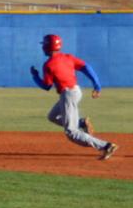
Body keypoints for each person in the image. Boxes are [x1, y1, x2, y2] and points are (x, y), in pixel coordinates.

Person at [30, 33, 118, 161]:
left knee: (71, 132)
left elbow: (46, 86)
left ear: (47, 46)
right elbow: (86, 67)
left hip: (68, 95)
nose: (43, 47)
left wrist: (35, 76)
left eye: (44, 44)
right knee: (52, 116)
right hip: (75, 91)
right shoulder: (68, 57)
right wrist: (97, 85)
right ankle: (81, 122)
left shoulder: (48, 64)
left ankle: (105, 146)